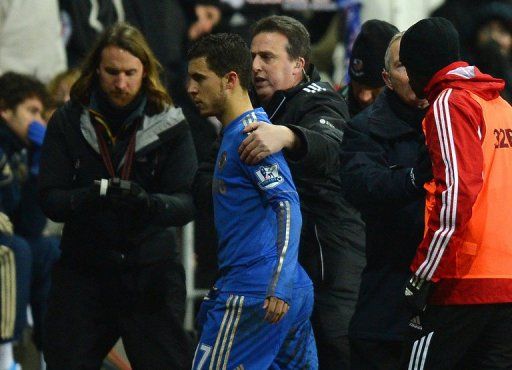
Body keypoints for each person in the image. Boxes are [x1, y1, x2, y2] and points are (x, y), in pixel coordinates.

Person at [39, 22, 196, 369]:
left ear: (146, 72)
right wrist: (88, 197)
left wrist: (148, 203)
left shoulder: (170, 124)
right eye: (111, 72)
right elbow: (49, 198)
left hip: (150, 271)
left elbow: (186, 203)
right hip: (85, 269)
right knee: (64, 361)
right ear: (96, 69)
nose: (120, 83)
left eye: (130, 72)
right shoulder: (67, 121)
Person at [238, 15, 365, 369]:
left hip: (327, 254)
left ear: (298, 65)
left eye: (267, 57)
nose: (256, 66)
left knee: (335, 345)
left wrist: (289, 136)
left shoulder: (319, 100)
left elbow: (331, 145)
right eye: (252, 57)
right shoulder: (246, 105)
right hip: (271, 259)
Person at [187, 32, 317, 369]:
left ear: (231, 80)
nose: (190, 88)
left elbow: (287, 203)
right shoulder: (235, 135)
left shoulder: (251, 137)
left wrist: (281, 282)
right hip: (278, 288)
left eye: (199, 78)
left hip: (257, 293)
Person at [399, 17, 512, 369]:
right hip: (506, 279)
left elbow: (459, 191)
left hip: (462, 278)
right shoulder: (500, 106)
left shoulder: (450, 102)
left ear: (419, 67)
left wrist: (423, 273)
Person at [340, 32, 431, 370]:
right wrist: (412, 179)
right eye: (403, 65)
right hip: (388, 294)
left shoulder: (462, 121)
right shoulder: (365, 129)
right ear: (387, 79)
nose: (416, 72)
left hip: (453, 299)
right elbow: (361, 186)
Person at [0, 71, 62, 370]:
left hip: (9, 234)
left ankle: (50, 354)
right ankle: (5, 358)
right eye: (31, 111)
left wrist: (39, 168)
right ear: (5, 110)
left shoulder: (19, 151)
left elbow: (29, 225)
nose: (38, 121)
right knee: (15, 250)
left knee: (47, 249)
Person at [338, 19, 399, 117]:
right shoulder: (333, 108)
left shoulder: (414, 113)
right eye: (358, 84)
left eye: (374, 87)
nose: (364, 97)